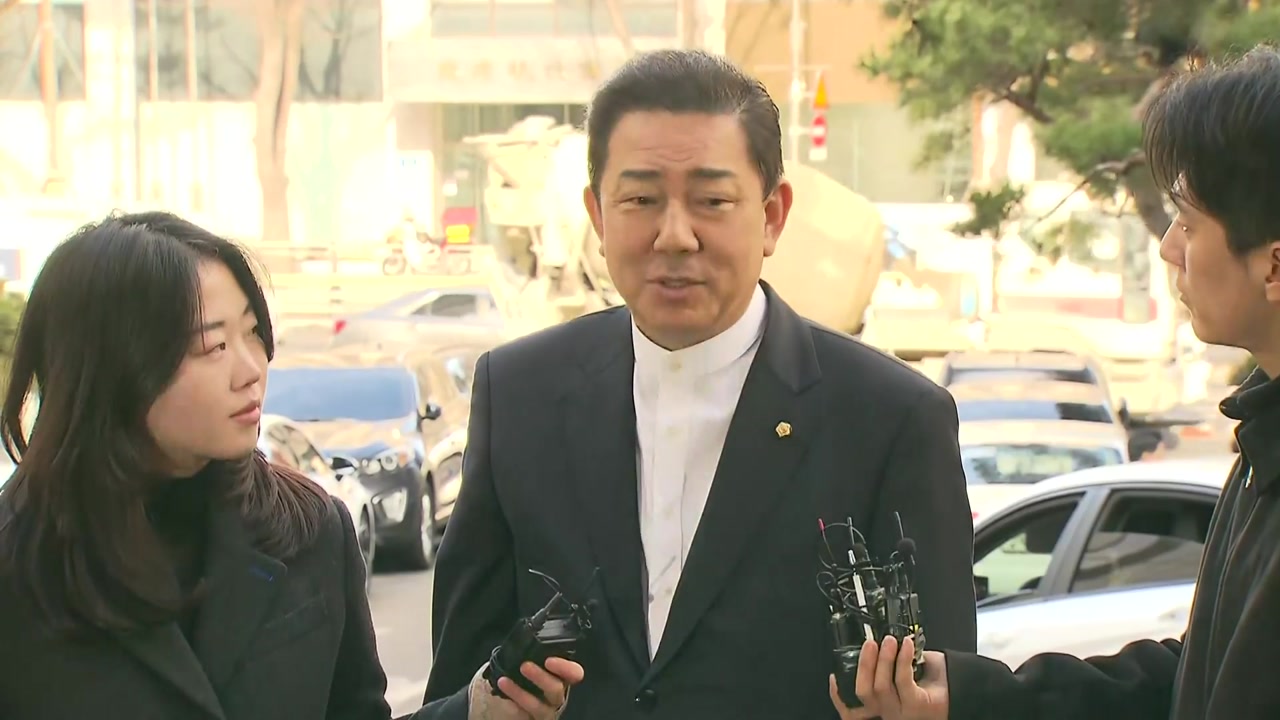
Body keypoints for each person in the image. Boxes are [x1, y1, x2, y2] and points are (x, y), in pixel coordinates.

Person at [424, 49, 977, 718]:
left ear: (772, 216)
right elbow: (459, 685)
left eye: (712, 201)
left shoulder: (891, 418)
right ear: (598, 215)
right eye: (640, 200)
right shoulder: (519, 396)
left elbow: (938, 693)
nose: (675, 236)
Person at [833, 46, 1280, 720]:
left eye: (1188, 222)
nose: (1168, 247)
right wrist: (973, 695)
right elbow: (1199, 674)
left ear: (1273, 266)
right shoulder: (1261, 446)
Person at [0, 211, 581, 720]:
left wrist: (477, 710)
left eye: (253, 333)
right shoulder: (20, 562)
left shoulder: (308, 530)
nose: (251, 368)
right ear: (110, 367)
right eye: (213, 346)